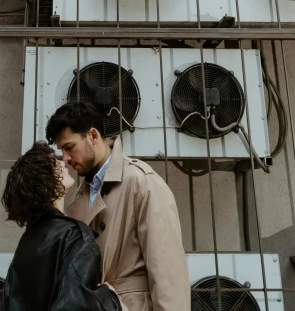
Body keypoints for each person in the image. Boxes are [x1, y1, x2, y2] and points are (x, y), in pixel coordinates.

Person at [46, 102, 191, 311]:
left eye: (69, 147)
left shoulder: (141, 182)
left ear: (93, 136)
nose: (66, 158)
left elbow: (168, 272)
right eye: (62, 150)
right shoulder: (79, 197)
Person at [1, 140, 123, 311]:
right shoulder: (73, 236)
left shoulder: (26, 243)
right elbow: (78, 306)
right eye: (53, 164)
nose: (62, 162)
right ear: (46, 185)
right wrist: (109, 299)